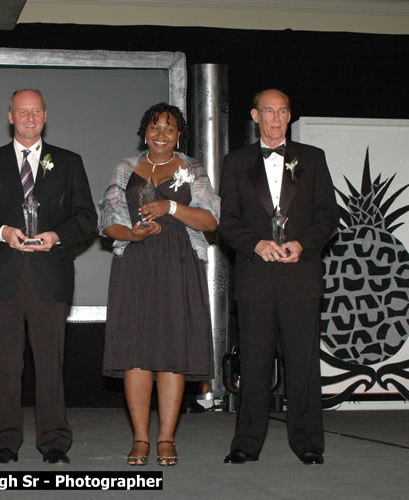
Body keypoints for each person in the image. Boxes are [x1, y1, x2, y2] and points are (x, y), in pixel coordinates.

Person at [0, 89, 97, 465]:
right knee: (5, 367)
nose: (30, 117)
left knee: (50, 366)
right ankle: (5, 443)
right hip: (1, 280)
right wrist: (3, 232)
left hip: (49, 278)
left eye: (36, 111)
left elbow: (87, 218)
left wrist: (56, 236)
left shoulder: (69, 162)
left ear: (46, 116)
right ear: (10, 117)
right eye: (23, 112)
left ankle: (54, 443)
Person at [219, 89, 339, 465]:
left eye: (282, 111)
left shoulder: (313, 158)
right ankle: (246, 444)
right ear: (255, 115)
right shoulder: (236, 162)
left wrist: (303, 244)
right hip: (255, 279)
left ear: (290, 116)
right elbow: (228, 222)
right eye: (268, 111)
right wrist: (255, 244)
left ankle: (308, 444)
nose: (276, 118)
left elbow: (328, 216)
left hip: (300, 277)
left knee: (303, 365)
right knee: (253, 365)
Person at [99, 102, 219, 466]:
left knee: (172, 351)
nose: (161, 134)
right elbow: (107, 221)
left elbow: (210, 220)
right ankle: (140, 438)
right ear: (144, 131)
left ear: (179, 134)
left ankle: (166, 438)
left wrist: (169, 208)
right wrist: (132, 236)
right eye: (155, 127)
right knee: (136, 352)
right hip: (135, 263)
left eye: (169, 128)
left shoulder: (192, 169)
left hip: (179, 263)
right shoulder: (125, 168)